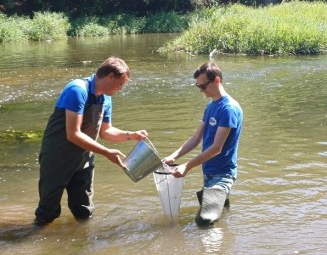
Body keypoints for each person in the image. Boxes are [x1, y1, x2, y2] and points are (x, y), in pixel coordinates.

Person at [34, 57, 148, 226]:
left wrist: (131, 135)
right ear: (110, 77)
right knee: (47, 211)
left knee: (84, 210)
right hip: (57, 158)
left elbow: (106, 131)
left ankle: (83, 244)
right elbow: (73, 134)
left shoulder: (105, 98)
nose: (120, 89)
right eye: (120, 84)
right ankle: (36, 243)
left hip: (83, 160)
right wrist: (107, 152)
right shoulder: (77, 90)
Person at [163, 62, 243, 226]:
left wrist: (187, 166)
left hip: (223, 175)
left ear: (217, 80)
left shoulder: (228, 109)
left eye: (204, 86)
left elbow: (216, 148)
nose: (201, 91)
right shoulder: (211, 106)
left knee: (204, 221)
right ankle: (224, 237)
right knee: (218, 216)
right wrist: (173, 157)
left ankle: (214, 251)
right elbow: (196, 138)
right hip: (209, 172)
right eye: (198, 87)